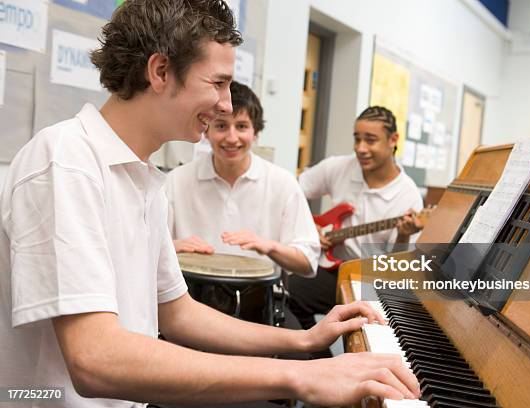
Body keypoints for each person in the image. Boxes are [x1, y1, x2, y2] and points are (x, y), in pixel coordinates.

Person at [0, 1, 420, 407]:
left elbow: (178, 313)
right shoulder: (67, 162)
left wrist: (303, 341)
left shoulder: (142, 178)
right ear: (161, 71)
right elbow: (95, 359)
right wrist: (302, 375)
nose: (227, 104)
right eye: (217, 83)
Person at [289, 106, 425, 343]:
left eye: (370, 140)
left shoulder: (408, 195)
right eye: (357, 139)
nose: (361, 148)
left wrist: (403, 235)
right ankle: (314, 355)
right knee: (291, 292)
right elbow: (292, 192)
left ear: (393, 140)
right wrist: (308, 228)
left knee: (361, 334)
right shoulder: (339, 167)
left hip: (373, 281)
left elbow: (395, 268)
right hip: (334, 270)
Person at [166, 81, 319, 279]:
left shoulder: (283, 183)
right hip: (189, 299)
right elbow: (144, 250)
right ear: (206, 131)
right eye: (221, 126)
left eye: (241, 126)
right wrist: (172, 246)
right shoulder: (176, 181)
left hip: (259, 302)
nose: (231, 138)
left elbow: (308, 264)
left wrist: (270, 247)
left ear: (255, 133)